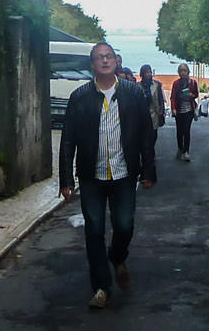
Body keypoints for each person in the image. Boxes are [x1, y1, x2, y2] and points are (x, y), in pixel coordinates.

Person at [58, 41, 157, 309]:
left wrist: (149, 170)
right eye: (99, 58)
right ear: (92, 64)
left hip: (124, 173)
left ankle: (117, 256)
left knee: (125, 225)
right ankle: (101, 287)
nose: (104, 61)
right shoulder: (80, 97)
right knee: (94, 231)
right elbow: (67, 140)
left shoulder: (134, 94)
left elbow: (146, 135)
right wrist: (66, 179)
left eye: (109, 56)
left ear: (116, 61)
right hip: (92, 175)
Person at [171, 64, 200, 161]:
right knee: (180, 131)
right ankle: (180, 148)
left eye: (184, 71)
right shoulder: (176, 83)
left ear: (188, 72)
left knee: (186, 130)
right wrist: (173, 108)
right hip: (179, 110)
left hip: (189, 109)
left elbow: (196, 94)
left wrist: (192, 95)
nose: (183, 73)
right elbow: (173, 97)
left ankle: (186, 151)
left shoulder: (192, 83)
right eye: (181, 71)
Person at [138, 64, 167, 132]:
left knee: (153, 135)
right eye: (146, 72)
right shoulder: (138, 86)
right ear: (142, 74)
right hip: (142, 115)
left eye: (150, 72)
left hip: (154, 114)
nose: (149, 74)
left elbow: (161, 99)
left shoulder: (156, 85)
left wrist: (161, 111)